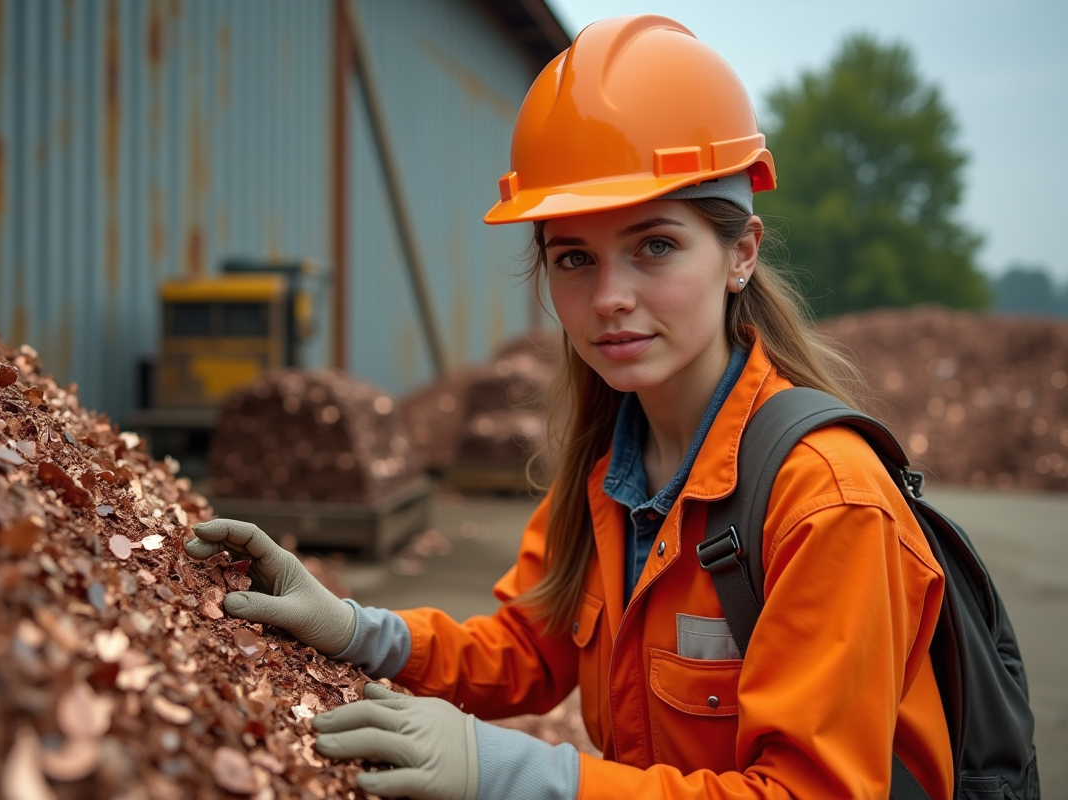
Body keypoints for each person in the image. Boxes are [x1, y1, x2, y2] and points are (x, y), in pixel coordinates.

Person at [186, 15, 953, 800]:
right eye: (575, 259)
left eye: (655, 246)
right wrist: (357, 631)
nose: (610, 298)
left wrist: (517, 773)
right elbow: (530, 647)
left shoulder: (829, 504)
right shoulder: (610, 466)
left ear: (741, 253)